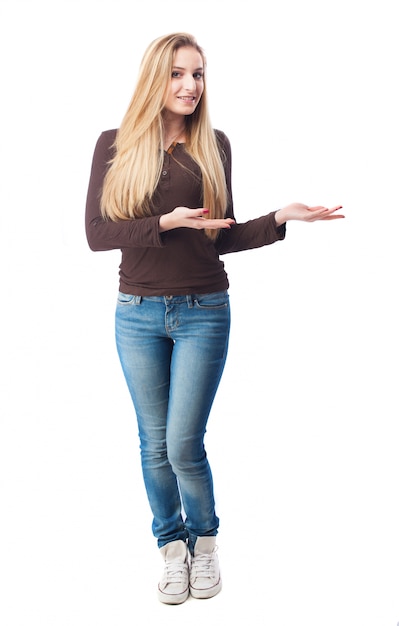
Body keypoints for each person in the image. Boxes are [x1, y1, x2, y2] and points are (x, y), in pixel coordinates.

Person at [85, 32, 344, 605]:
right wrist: (166, 223)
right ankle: (171, 551)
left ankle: (206, 544)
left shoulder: (214, 146)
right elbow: (97, 236)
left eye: (198, 75)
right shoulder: (115, 144)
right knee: (152, 445)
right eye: (178, 74)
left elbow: (218, 238)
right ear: (157, 77)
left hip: (203, 309)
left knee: (182, 444)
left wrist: (280, 217)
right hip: (137, 313)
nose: (190, 86)